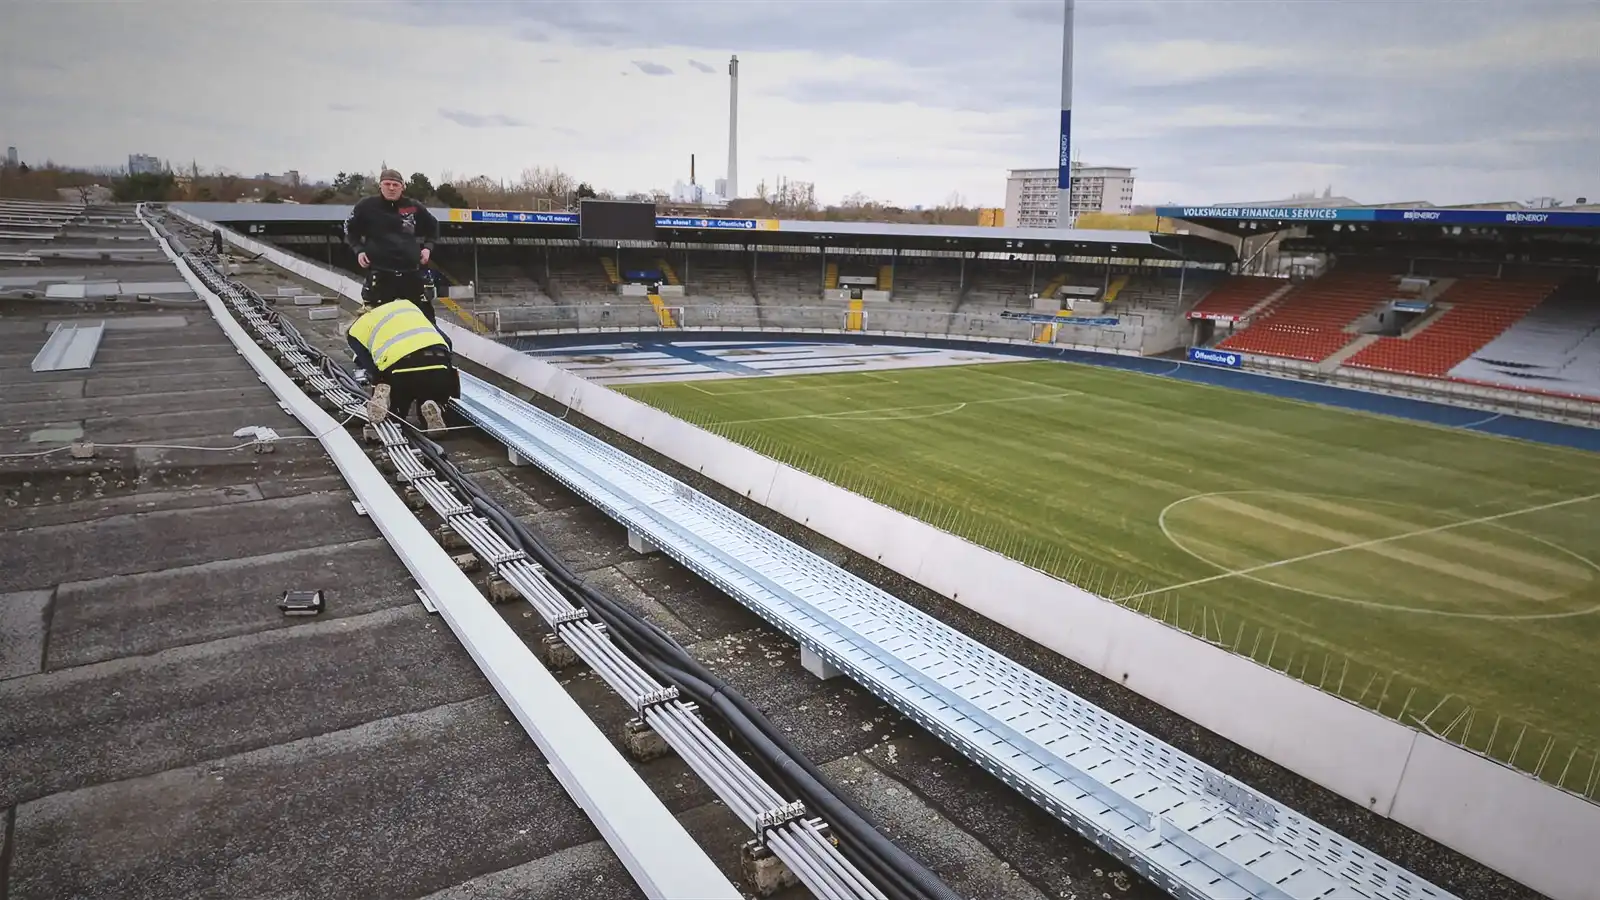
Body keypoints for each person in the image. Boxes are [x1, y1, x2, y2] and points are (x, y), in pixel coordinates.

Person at [346, 296, 458, 433]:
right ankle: (436, 406)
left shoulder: (355, 330)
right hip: (438, 365)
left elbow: (370, 365)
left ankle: (391, 408)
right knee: (430, 396)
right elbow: (448, 341)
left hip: (401, 370)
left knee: (397, 416)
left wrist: (380, 381)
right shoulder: (408, 306)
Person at [343, 168, 441, 323]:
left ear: (402, 187)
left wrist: (428, 248)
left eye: (396, 184)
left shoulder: (413, 207)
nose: (391, 188)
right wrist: (359, 250)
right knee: (375, 322)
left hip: (411, 274)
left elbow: (433, 226)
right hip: (381, 276)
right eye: (387, 184)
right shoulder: (366, 206)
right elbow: (349, 229)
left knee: (424, 321)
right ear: (380, 186)